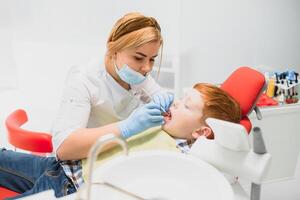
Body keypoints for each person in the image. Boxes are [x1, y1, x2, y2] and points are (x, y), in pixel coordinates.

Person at [0, 12, 173, 199]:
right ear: (113, 49)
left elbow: (158, 93)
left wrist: (167, 99)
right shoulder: (84, 81)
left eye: (152, 59)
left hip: (80, 177)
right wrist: (128, 127)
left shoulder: (137, 75)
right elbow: (64, 148)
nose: (147, 68)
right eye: (139, 58)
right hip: (70, 168)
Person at [82, 82, 242, 172]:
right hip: (74, 163)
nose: (177, 102)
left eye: (186, 105)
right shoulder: (159, 124)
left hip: (76, 184)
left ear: (200, 131)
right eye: (181, 98)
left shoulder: (179, 158)